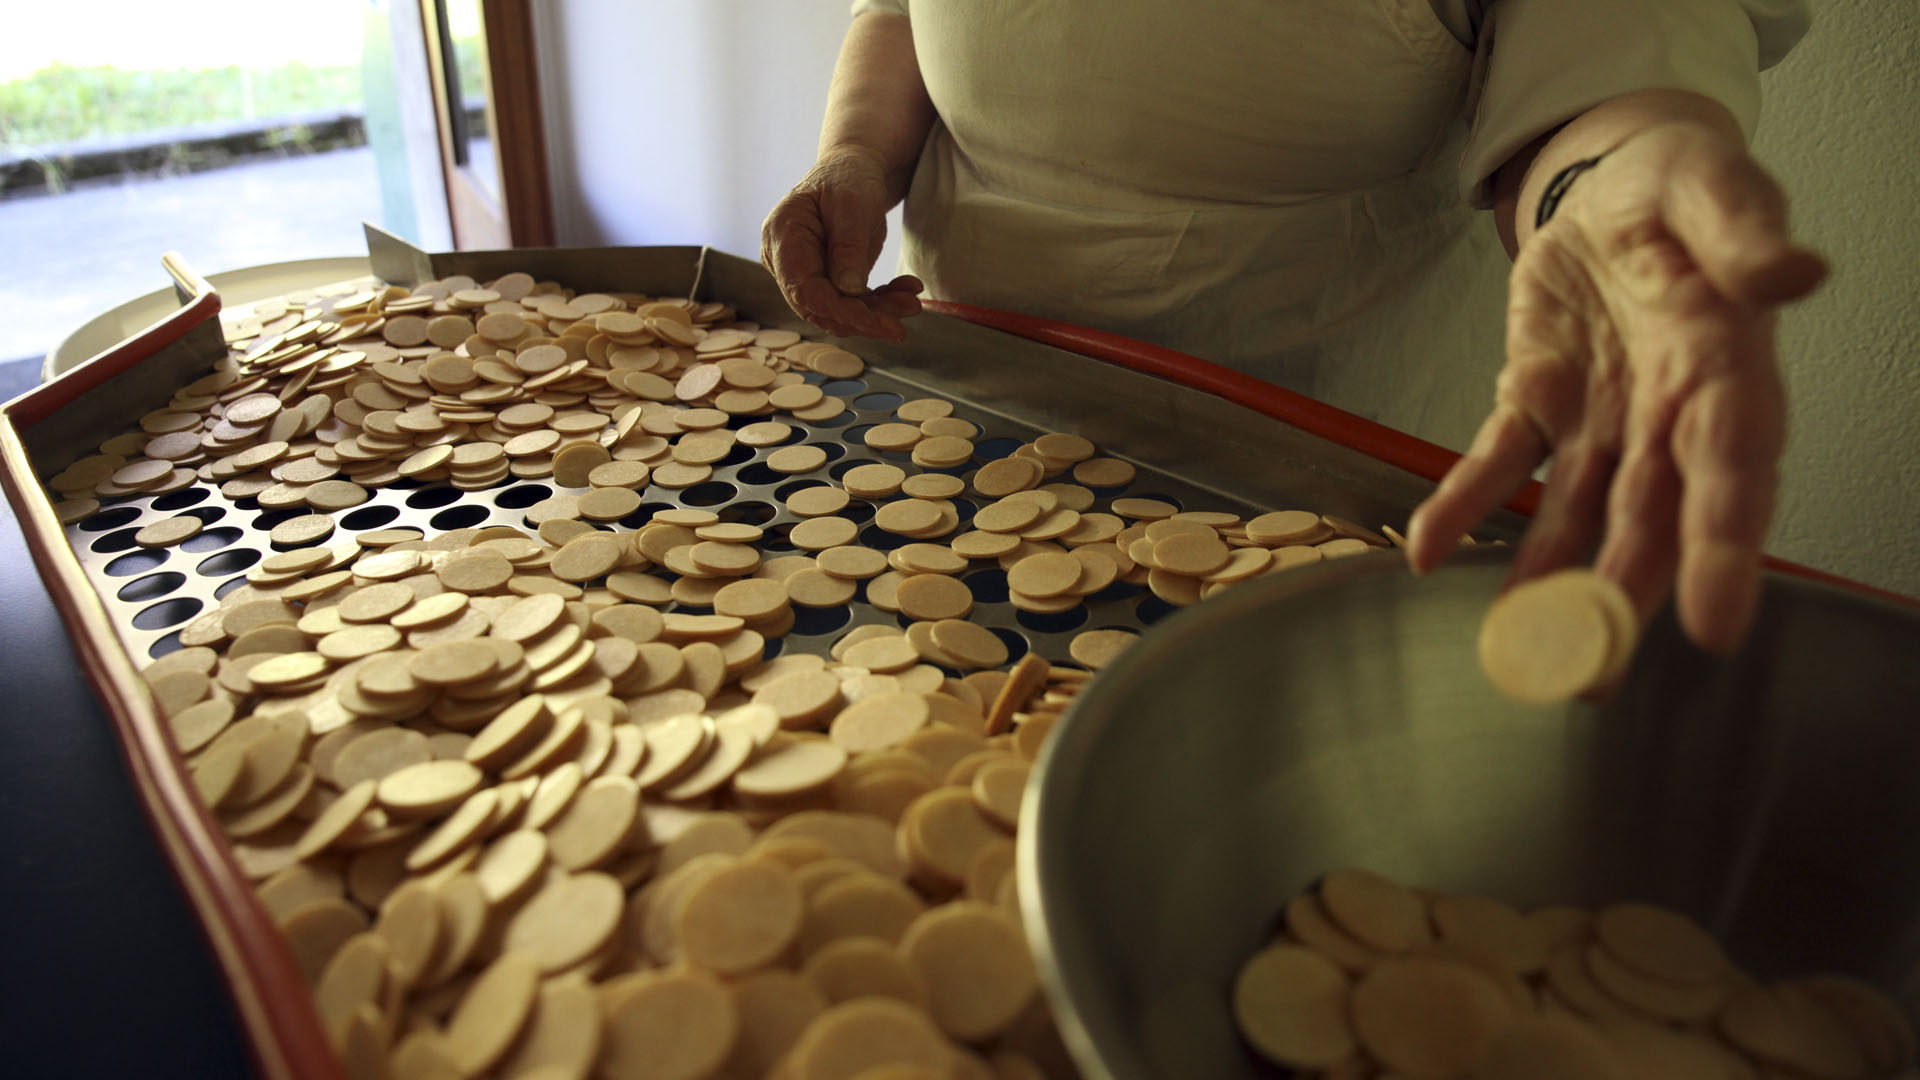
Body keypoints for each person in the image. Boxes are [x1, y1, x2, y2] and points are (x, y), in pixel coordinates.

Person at [761, 0, 1828, 656]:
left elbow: (1609, 81)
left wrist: (1617, 205)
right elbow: (900, 10)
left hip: (1317, 466)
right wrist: (854, 153)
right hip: (968, 412)